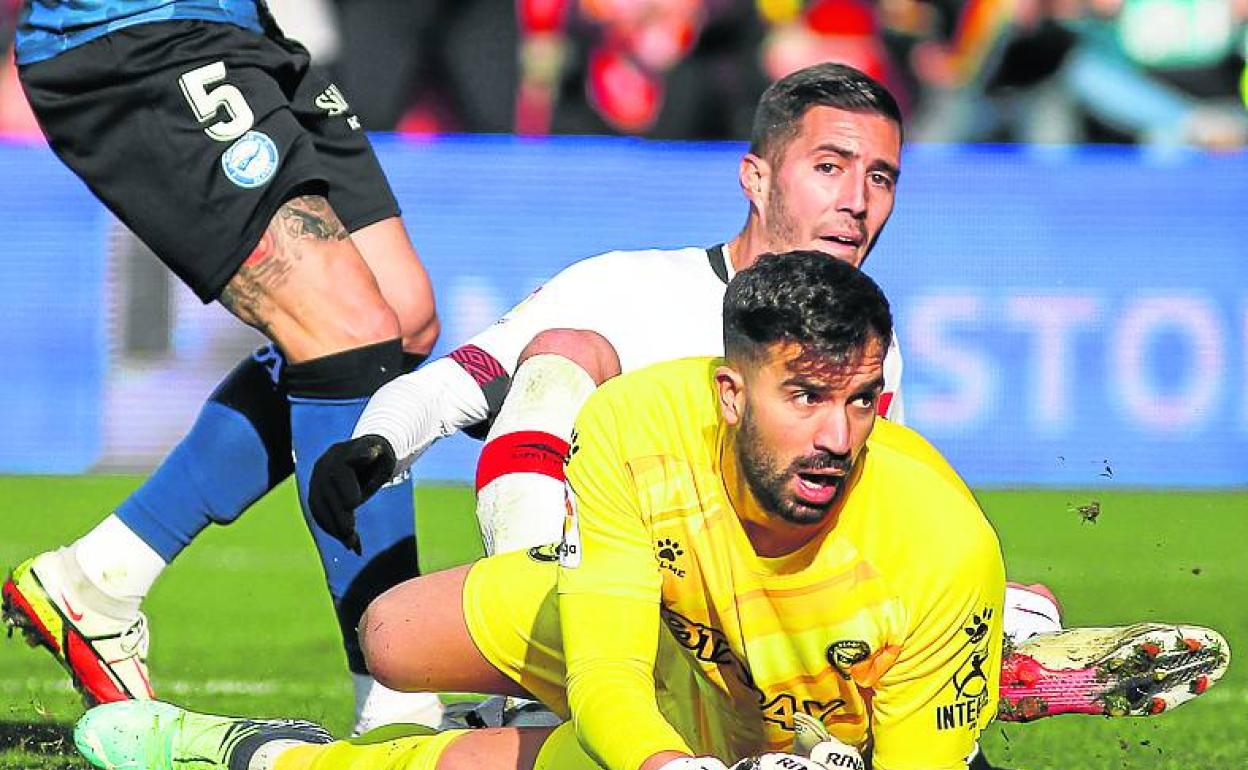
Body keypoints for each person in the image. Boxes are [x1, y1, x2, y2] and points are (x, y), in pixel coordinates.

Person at [74, 249, 1010, 770]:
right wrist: (383, 439)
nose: (840, 437)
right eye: (806, 396)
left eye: (861, 401)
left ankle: (260, 760)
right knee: (394, 636)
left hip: (766, 696)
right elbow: (467, 378)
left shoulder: (943, 537)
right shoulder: (636, 383)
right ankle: (521, 704)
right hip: (641, 619)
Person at [0, 0, 443, 729]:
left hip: (249, 31)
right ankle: (399, 707)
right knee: (346, 329)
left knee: (403, 318)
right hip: (134, 30)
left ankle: (101, 577)